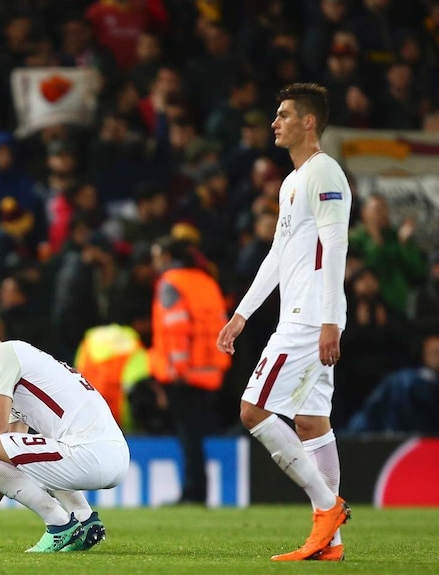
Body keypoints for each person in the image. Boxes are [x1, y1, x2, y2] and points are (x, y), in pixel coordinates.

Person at [216, 83, 352, 562]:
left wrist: (330, 319)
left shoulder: (324, 172)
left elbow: (336, 245)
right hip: (305, 314)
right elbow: (278, 254)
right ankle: (329, 544)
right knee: (313, 423)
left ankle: (326, 506)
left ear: (308, 122)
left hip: (310, 317)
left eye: (284, 114)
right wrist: (242, 314)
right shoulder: (292, 182)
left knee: (253, 411)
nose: (275, 122)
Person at [0, 312, 129, 553]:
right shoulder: (23, 364)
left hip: (88, 453)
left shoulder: (3, 353)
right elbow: (7, 456)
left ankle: (58, 523)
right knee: (29, 452)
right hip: (113, 456)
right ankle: (84, 520)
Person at [148, 236, 231, 504]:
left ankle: (193, 494)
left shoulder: (171, 283)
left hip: (183, 374)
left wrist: (179, 369)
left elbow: (176, 327)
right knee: (194, 436)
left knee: (188, 438)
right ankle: (196, 491)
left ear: (168, 256)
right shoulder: (206, 282)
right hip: (209, 371)